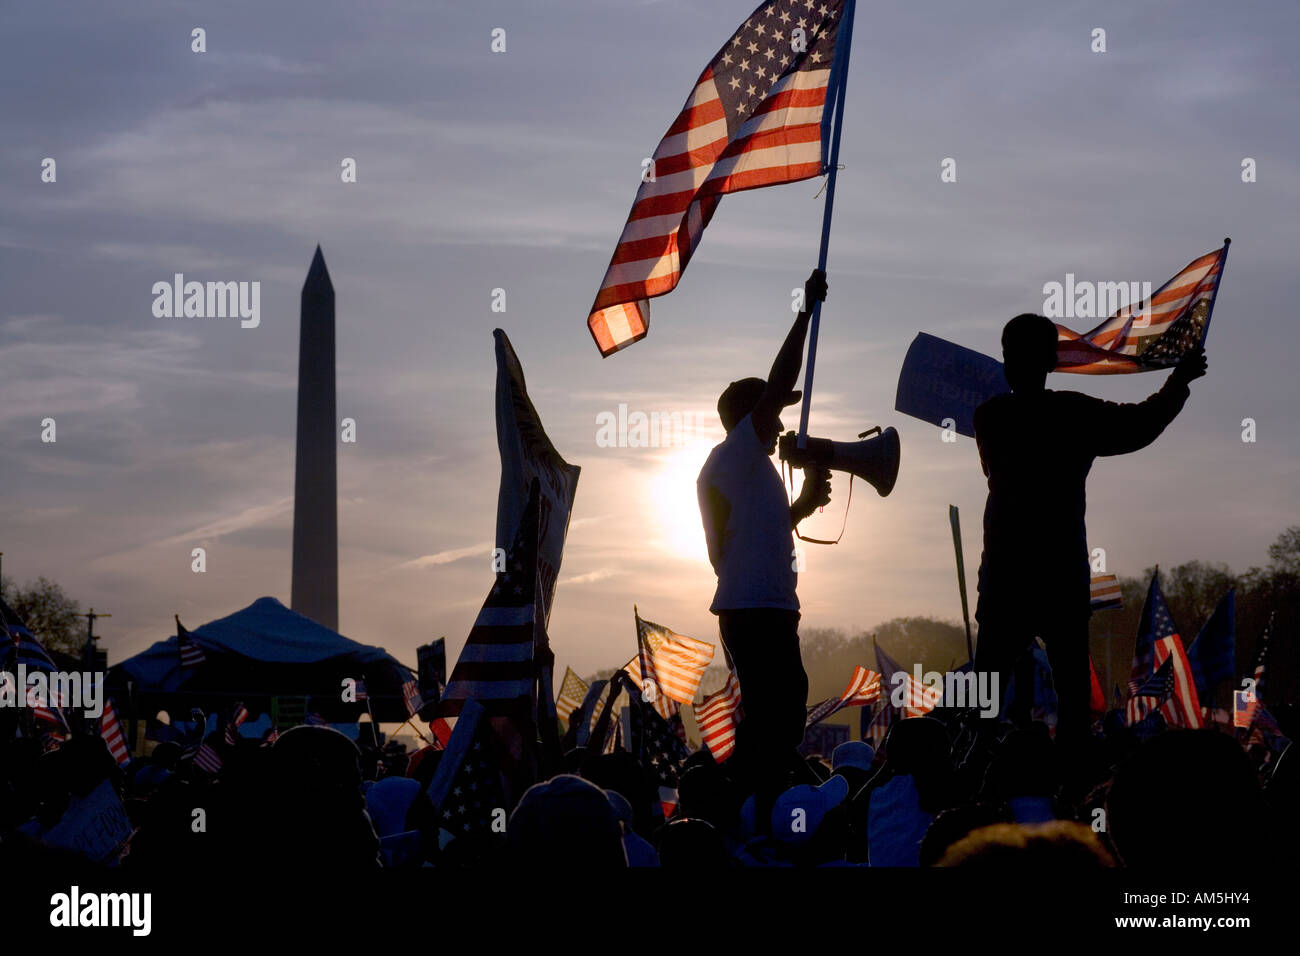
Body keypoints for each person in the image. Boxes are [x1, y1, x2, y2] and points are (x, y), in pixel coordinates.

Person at [972, 313, 1207, 745]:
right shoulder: (1071, 413)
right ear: (1051, 361)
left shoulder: (990, 417)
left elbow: (1137, 425)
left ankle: (977, 773)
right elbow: (1140, 425)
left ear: (1008, 361)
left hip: (1006, 581)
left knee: (986, 697)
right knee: (1073, 702)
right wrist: (1179, 383)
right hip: (1060, 580)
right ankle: (1071, 779)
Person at [696, 268, 832, 831]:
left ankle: (754, 804)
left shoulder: (745, 469)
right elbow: (780, 382)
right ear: (751, 417)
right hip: (757, 610)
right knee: (775, 715)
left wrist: (800, 506)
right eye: (773, 413)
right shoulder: (738, 453)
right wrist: (805, 312)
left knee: (780, 712)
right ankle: (747, 808)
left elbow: (753, 536)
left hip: (762, 606)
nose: (781, 423)